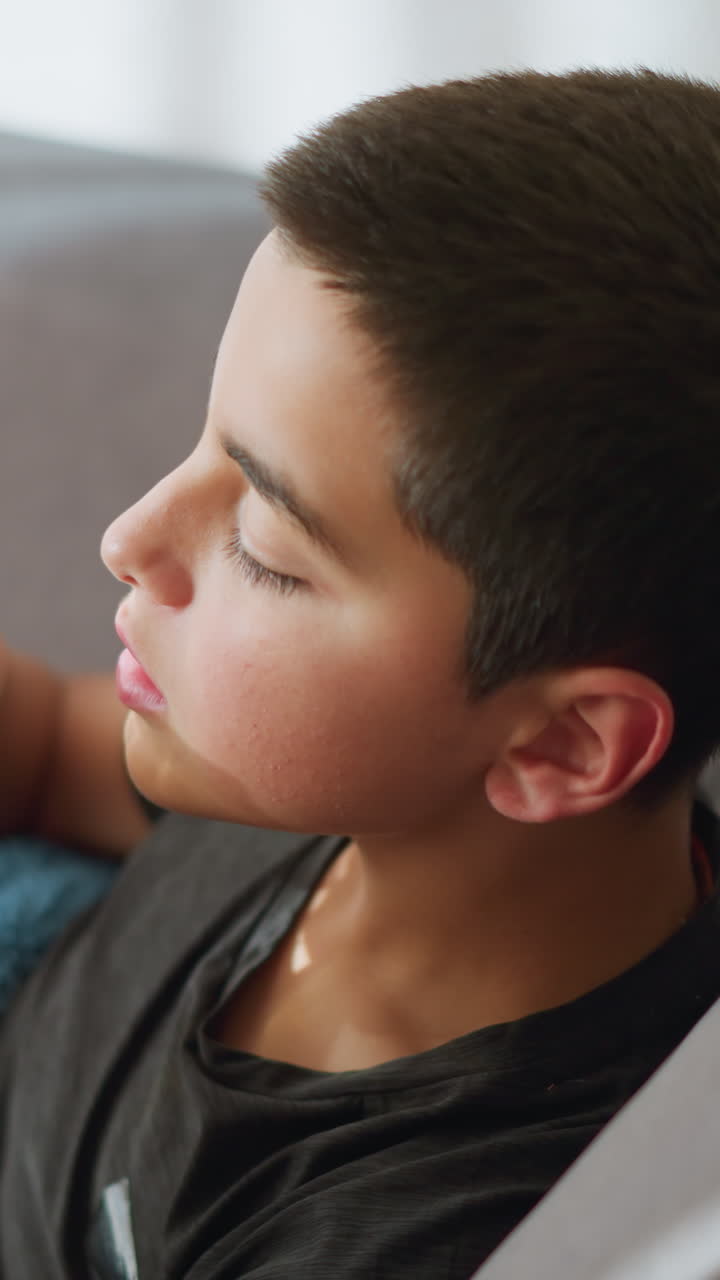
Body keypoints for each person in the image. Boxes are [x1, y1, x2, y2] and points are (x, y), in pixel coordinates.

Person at [2, 64, 720, 1279]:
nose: (131, 536)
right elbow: (55, 751)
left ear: (557, 746)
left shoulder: (402, 1227)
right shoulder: (312, 778)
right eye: (203, 441)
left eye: (268, 550)